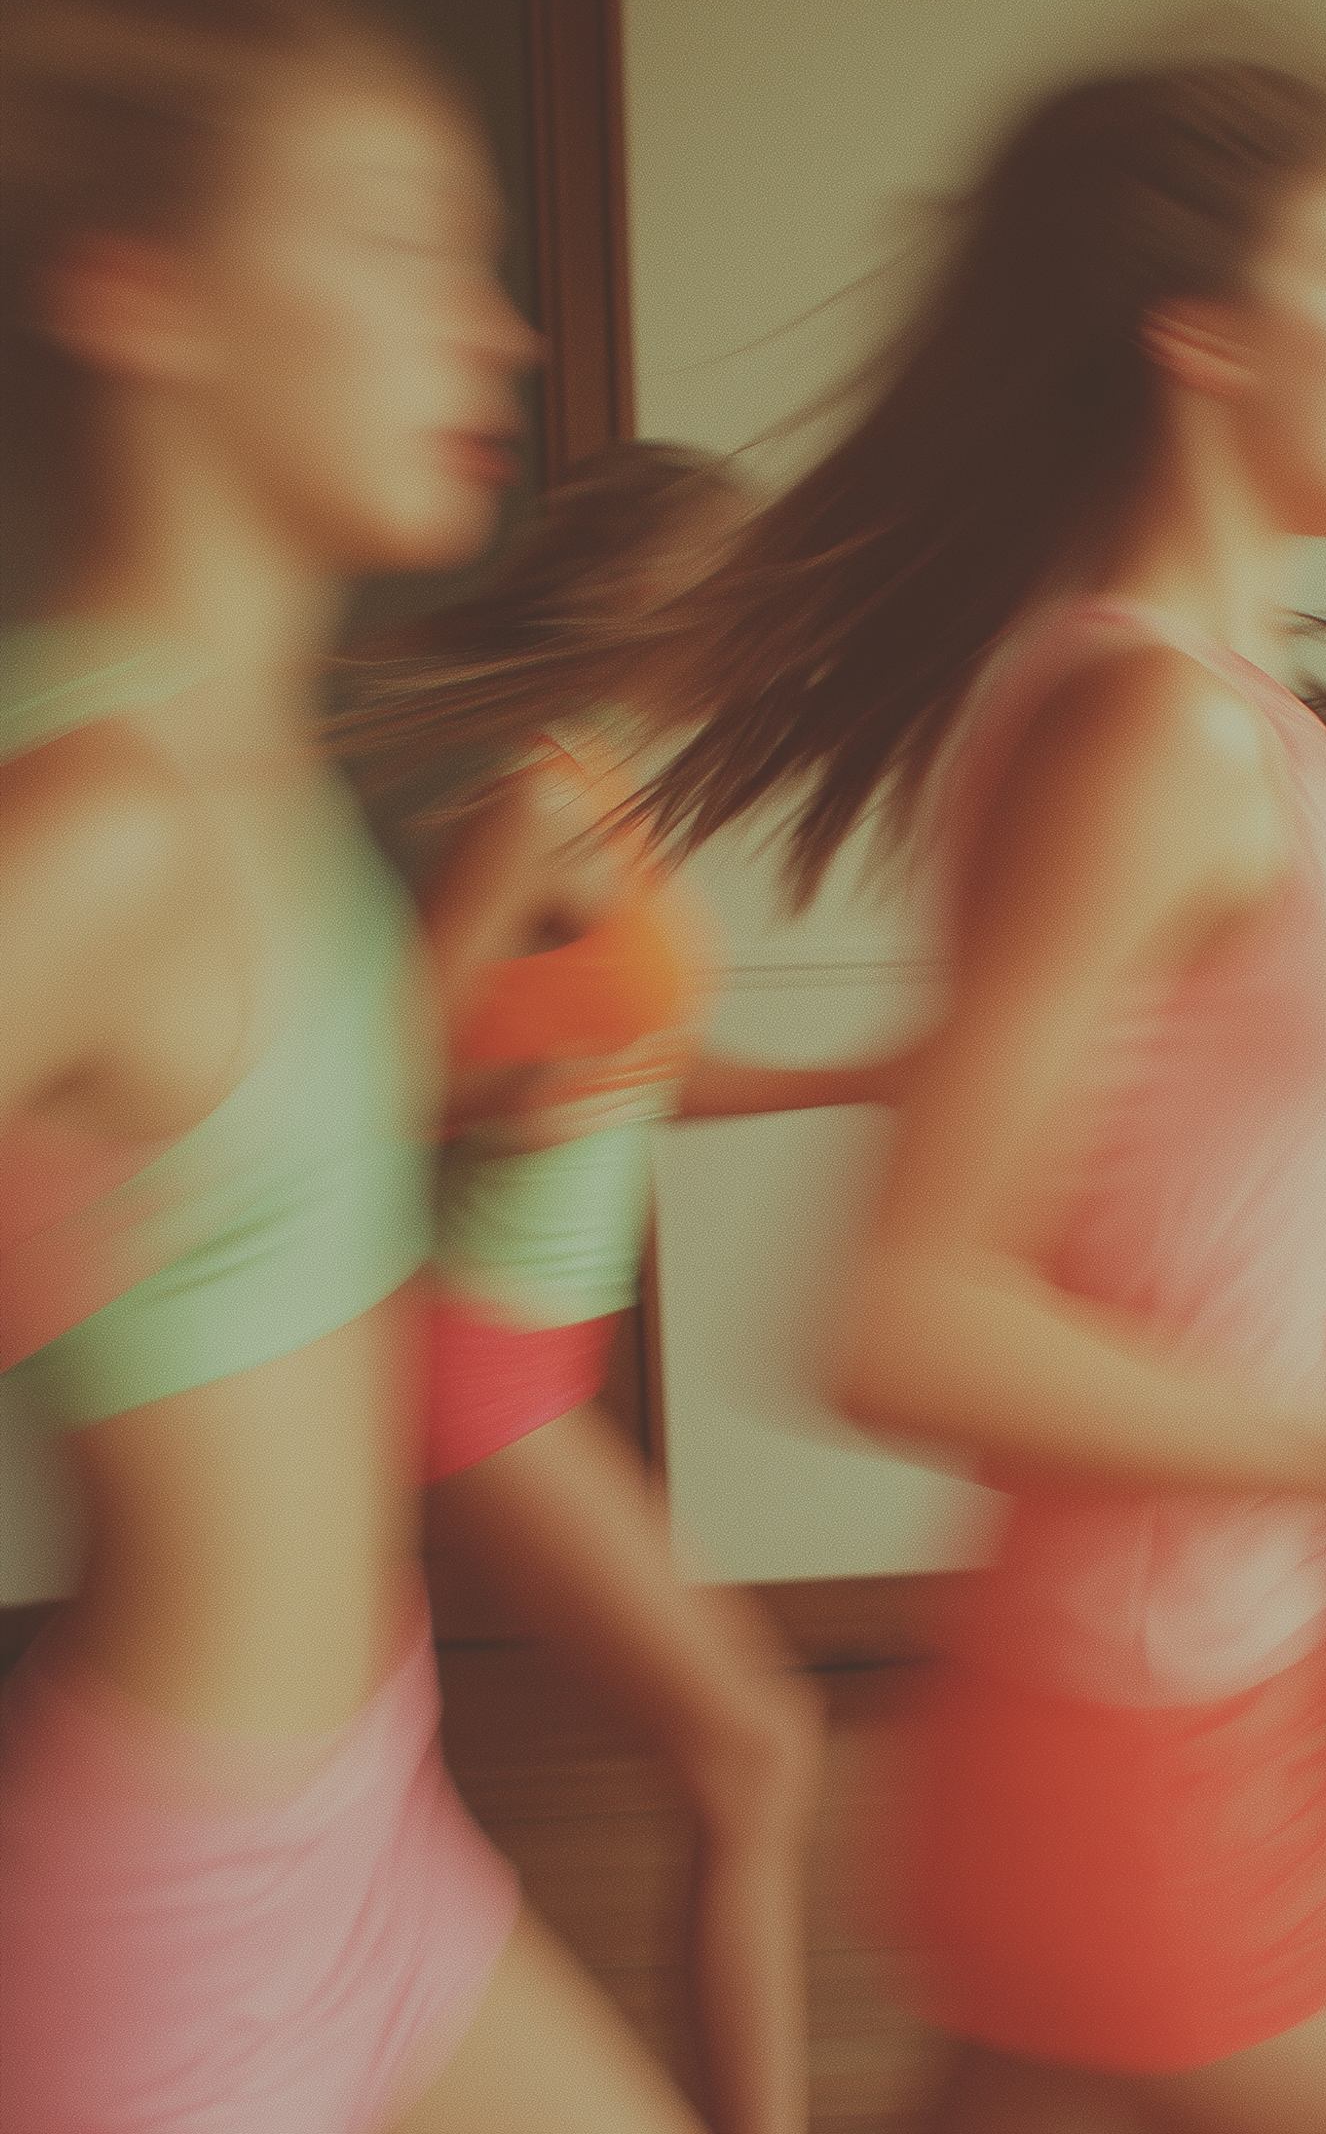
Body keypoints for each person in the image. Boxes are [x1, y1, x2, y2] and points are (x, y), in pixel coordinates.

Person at [628, 41, 1326, 2131]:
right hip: (1151, 1743)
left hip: (1167, 1698)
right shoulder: (1149, 729)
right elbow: (903, 1317)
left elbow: (1230, 1197)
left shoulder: (1231, 710)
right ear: (1198, 332)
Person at [0, 0, 706, 2133]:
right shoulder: (104, 819)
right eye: (401, 245)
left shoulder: (250, 765)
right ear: (145, 294)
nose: (499, 329)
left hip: (369, 1825)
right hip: (177, 1934)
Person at [343, 442, 918, 2134]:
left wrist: (864, 1076)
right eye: (751, 599)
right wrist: (499, 1089)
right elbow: (377, 1076)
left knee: (382, 1769)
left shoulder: (607, 788)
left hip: (531, 1357)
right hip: (468, 1355)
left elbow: (644, 1065)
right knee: (754, 1745)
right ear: (650, 594)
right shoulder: (535, 798)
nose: (774, 636)